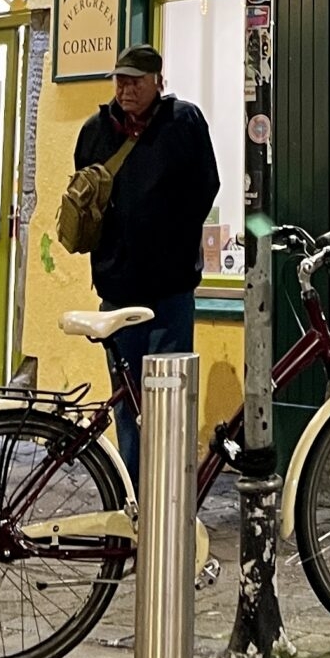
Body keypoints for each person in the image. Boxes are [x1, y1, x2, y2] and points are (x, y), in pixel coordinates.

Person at [72, 45, 219, 478]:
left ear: (158, 80)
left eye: (135, 80)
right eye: (120, 80)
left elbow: (206, 186)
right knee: (128, 403)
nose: (126, 89)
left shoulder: (183, 122)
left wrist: (172, 238)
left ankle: (168, 497)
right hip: (117, 293)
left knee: (169, 404)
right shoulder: (96, 131)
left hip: (170, 293)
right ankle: (135, 493)